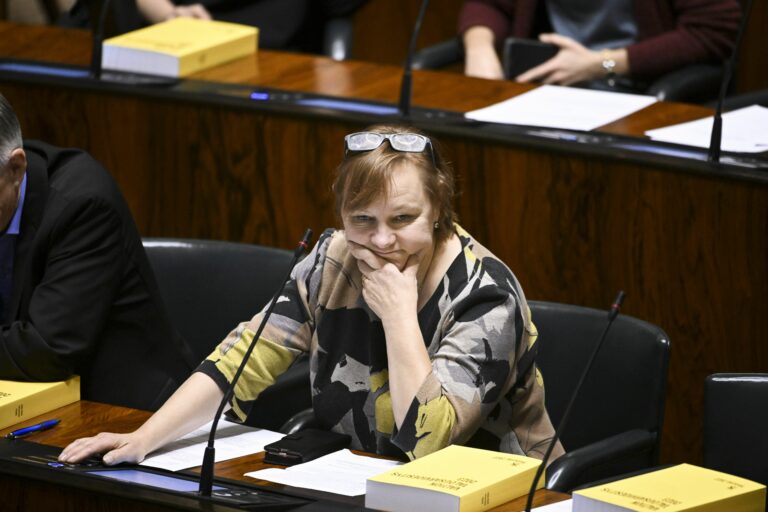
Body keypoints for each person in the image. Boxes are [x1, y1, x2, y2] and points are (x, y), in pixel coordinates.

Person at [59, 124, 562, 465]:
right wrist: (144, 438)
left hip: (499, 498)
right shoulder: (333, 260)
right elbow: (241, 361)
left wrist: (399, 316)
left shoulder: (486, 294)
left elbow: (429, 447)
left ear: (438, 208)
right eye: (361, 220)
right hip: (365, 483)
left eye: (403, 219)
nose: (382, 241)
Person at [0, 93, 195, 411]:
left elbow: (48, 350)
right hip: (27, 402)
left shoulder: (83, 205)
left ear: (16, 168)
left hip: (124, 412)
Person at [459, 0, 741, 91]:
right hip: (548, 88)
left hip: (640, 90)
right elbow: (489, 5)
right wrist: (479, 48)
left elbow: (714, 29)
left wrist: (601, 64)